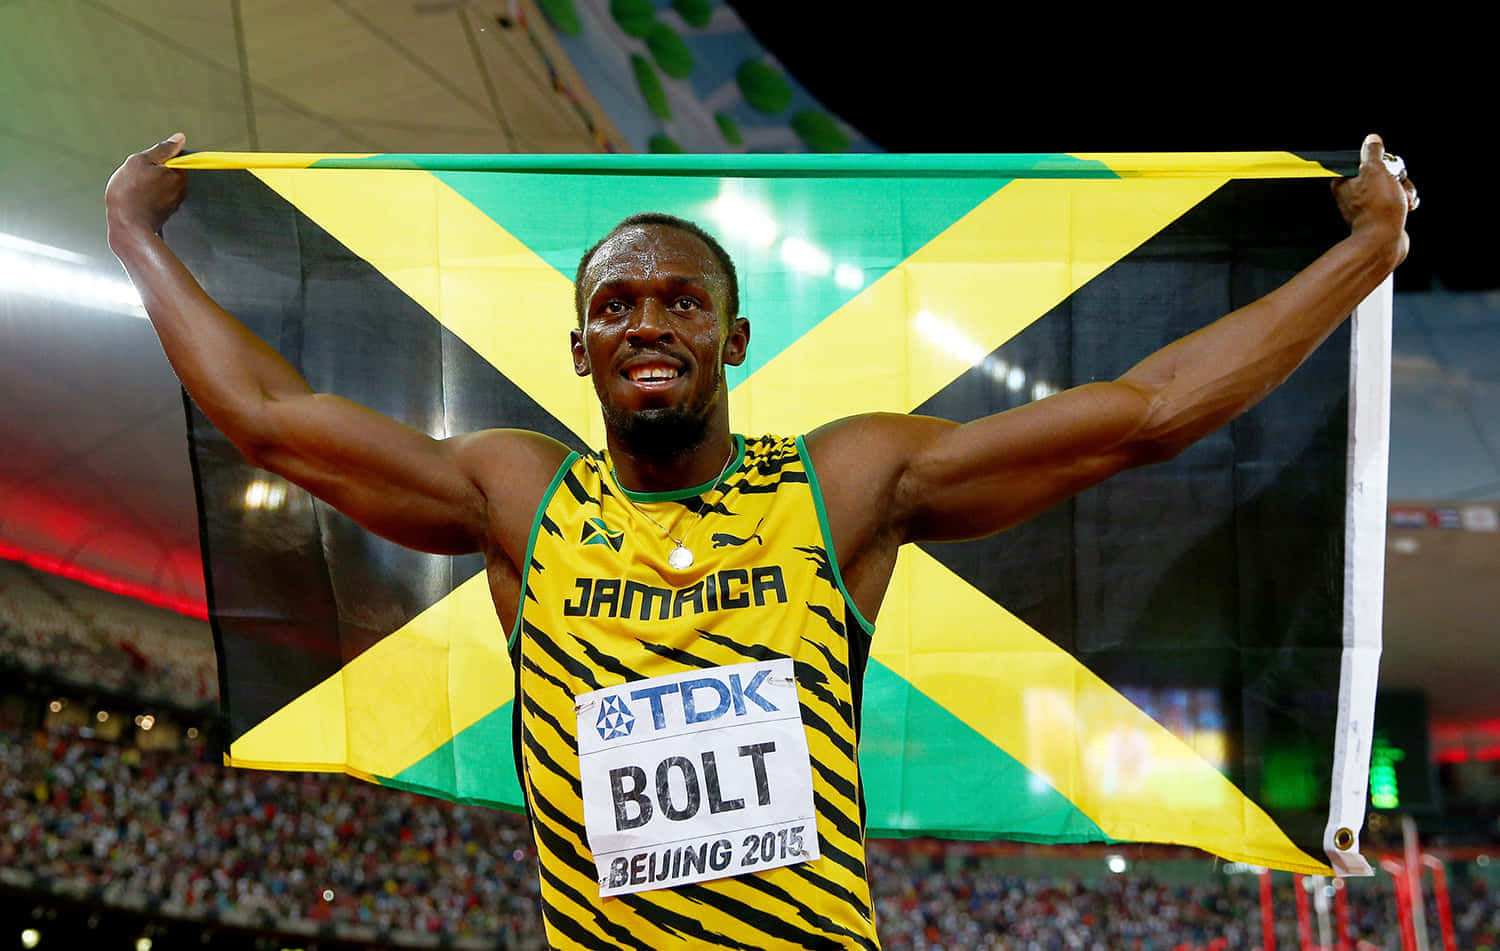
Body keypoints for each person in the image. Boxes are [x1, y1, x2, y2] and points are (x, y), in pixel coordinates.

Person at [106, 134, 1415, 950]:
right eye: (616, 306)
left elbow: (1141, 417)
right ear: (579, 350)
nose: (648, 322)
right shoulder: (519, 499)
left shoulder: (843, 483)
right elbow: (273, 422)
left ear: (734, 340)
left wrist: (1364, 254)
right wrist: (136, 234)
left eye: (683, 301)